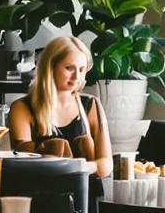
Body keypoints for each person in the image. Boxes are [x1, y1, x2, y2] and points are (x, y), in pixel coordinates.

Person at [7, 35, 109, 170]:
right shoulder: (21, 108)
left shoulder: (91, 104)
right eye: (69, 68)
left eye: (81, 69)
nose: (76, 76)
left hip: (87, 189)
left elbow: (106, 164)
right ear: (50, 67)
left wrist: (79, 168)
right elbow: (24, 164)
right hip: (42, 189)